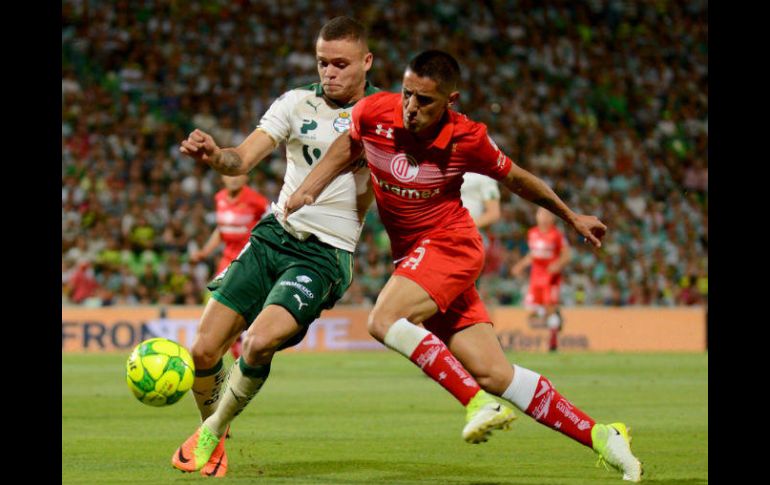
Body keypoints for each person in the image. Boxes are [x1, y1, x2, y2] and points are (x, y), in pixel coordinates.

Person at [286, 50, 642, 481]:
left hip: (451, 245)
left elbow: (517, 178)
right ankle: (603, 436)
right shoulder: (373, 112)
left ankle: (476, 403)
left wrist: (570, 217)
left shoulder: (467, 138)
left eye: (425, 100)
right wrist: (309, 188)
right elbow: (348, 145)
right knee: (495, 373)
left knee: (383, 319)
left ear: (450, 101)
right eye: (407, 93)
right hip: (416, 258)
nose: (411, 107)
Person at [170, 16, 379, 477]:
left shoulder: (383, 115)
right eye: (323, 62)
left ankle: (210, 432)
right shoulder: (294, 102)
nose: (329, 72)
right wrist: (215, 156)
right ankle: (217, 436)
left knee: (258, 341)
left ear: (366, 61)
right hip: (273, 236)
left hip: (324, 253)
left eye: (341, 64)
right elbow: (240, 159)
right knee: (202, 351)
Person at [190, 173, 270, 359]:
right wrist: (204, 252)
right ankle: (236, 352)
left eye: (238, 174)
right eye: (229, 175)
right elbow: (221, 229)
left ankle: (246, 347)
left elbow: (273, 221)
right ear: (222, 178)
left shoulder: (256, 200)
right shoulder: (219, 198)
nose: (233, 179)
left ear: (246, 177)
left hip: (249, 261)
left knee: (242, 309)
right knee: (216, 304)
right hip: (226, 261)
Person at [511, 206, 571, 352]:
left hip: (551, 279)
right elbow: (533, 254)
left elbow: (567, 255)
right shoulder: (532, 233)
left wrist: (557, 265)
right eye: (540, 214)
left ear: (552, 218)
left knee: (549, 308)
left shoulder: (557, 235)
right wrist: (520, 266)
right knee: (531, 310)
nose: (543, 217)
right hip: (535, 278)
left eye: (546, 214)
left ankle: (553, 342)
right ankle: (555, 317)